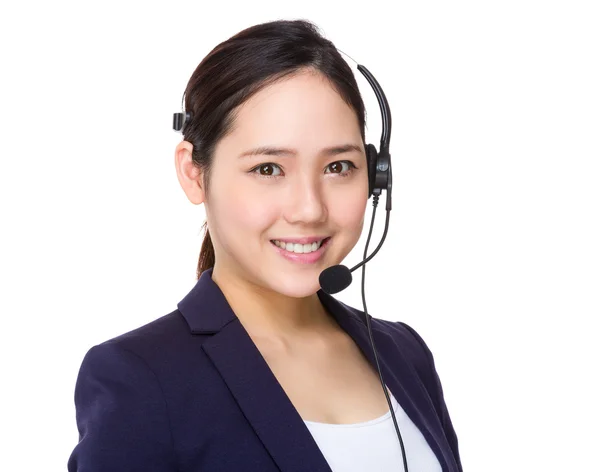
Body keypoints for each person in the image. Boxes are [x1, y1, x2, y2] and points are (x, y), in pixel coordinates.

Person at [67, 19, 462, 472]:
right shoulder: (141, 377)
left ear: (375, 176)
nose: (309, 209)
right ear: (195, 173)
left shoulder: (403, 353)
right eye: (269, 169)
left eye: (338, 166)